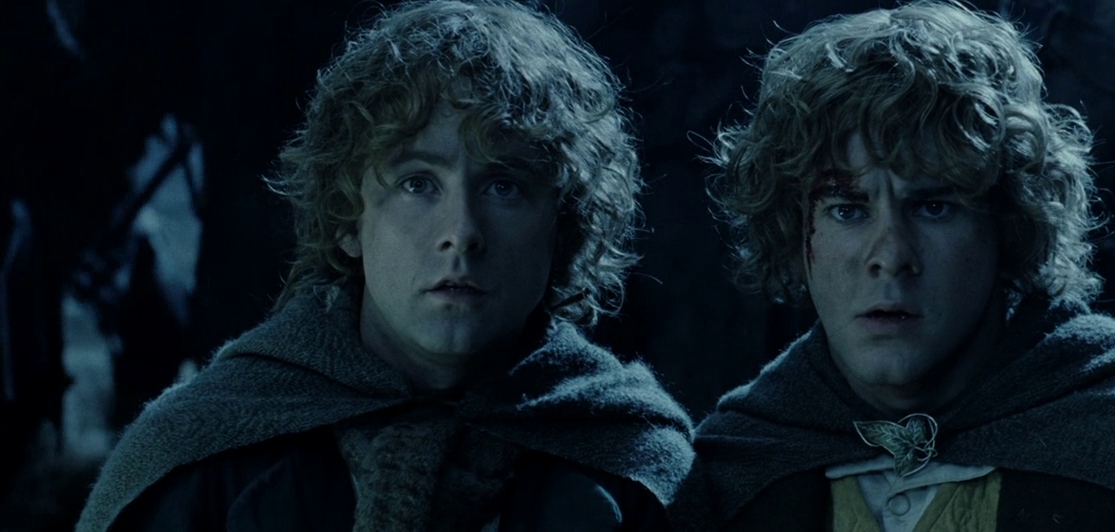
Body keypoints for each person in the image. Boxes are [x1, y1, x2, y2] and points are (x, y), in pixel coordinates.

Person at [76, 1, 694, 530]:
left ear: (561, 227)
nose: (461, 233)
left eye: (504, 187)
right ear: (350, 219)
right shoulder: (206, 457)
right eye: (418, 184)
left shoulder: (632, 465)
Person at [670, 1, 1115, 530]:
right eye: (848, 210)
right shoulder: (742, 461)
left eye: (933, 206)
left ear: (1006, 225)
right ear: (796, 231)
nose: (891, 256)